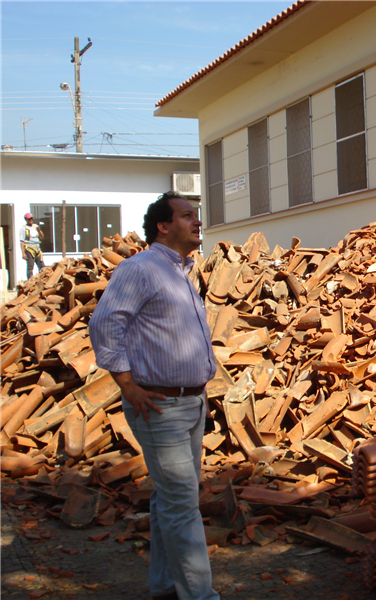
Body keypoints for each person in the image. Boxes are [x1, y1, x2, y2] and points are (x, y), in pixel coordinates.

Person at [89, 191, 218, 600]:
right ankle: (201, 596)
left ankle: (165, 586)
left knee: (171, 501)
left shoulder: (182, 271)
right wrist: (127, 386)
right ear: (163, 226)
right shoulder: (140, 269)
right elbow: (105, 327)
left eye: (196, 215)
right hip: (159, 405)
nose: (197, 222)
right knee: (182, 505)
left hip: (190, 402)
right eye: (186, 215)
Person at [19, 212, 45, 279]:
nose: (31, 220)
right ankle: (30, 281)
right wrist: (23, 253)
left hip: (37, 249)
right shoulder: (24, 228)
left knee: (42, 266)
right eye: (29, 219)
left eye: (31, 218)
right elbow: (22, 241)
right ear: (26, 219)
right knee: (30, 267)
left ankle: (43, 280)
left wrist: (39, 231)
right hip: (29, 249)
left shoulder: (35, 227)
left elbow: (41, 237)